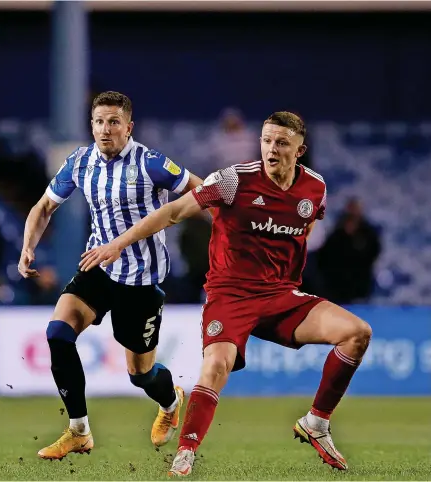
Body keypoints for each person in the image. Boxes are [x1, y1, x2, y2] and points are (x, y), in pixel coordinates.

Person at [79, 112, 372, 476]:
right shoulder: (233, 180)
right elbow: (173, 212)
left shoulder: (315, 188)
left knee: (357, 334)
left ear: (300, 150)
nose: (271, 149)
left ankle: (316, 422)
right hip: (230, 296)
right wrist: (119, 243)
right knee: (217, 365)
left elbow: (311, 218)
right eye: (266, 141)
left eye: (282, 143)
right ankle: (186, 451)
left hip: (281, 295)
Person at [18, 91, 205, 460]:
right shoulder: (80, 162)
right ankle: (79, 430)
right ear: (91, 125)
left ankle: (170, 402)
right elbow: (43, 208)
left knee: (140, 374)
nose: (106, 130)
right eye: (99, 122)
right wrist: (27, 246)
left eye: (114, 122)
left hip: (140, 280)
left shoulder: (151, 163)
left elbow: (203, 192)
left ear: (129, 127)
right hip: (98, 267)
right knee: (58, 332)